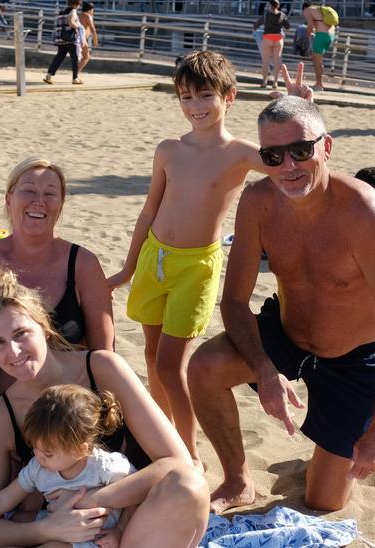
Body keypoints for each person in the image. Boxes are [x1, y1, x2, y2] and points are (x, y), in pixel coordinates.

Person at [188, 96, 375, 514]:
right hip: (288, 335)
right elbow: (235, 301)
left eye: (300, 150)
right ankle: (238, 479)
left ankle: (332, 453)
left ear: (325, 147)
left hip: (356, 358)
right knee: (204, 367)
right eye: (272, 156)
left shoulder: (364, 212)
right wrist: (265, 369)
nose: (288, 166)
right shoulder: (258, 202)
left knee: (322, 500)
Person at [106, 52, 313, 463]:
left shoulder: (240, 153)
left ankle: (187, 454)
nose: (194, 106)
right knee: (151, 356)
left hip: (197, 268)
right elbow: (149, 210)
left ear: (228, 97)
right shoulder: (168, 149)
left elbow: (294, 165)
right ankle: (160, 437)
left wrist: (300, 112)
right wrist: (128, 268)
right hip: (154, 259)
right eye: (185, 96)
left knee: (170, 366)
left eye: (204, 95)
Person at [0, 269, 209, 547]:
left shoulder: (101, 368)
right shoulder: (3, 414)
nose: (13, 352)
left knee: (191, 486)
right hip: (67, 538)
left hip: (133, 527)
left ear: (43, 327)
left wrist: (94, 498)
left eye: (21, 334)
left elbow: (177, 462)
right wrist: (48, 528)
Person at [0, 157, 115, 477]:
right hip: (0, 408)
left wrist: (83, 429)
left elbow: (104, 357)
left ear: (61, 203)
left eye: (50, 193)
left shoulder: (82, 264)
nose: (39, 201)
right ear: (9, 198)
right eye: (28, 190)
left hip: (69, 412)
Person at [0, 385, 134, 548]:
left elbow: (135, 496)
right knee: (18, 519)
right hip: (58, 521)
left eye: (48, 453)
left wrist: (119, 529)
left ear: (80, 450)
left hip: (95, 534)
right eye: (35, 447)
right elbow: (5, 498)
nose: (38, 456)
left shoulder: (105, 466)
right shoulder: (39, 467)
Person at [253, 0, 292, 89]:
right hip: (278, 39)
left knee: (265, 62)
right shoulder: (282, 14)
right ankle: (275, 82)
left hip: (267, 38)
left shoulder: (266, 14)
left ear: (270, 5)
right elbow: (288, 27)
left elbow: (257, 24)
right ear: (278, 6)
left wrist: (255, 29)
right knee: (277, 61)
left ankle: (264, 82)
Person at [43, 0, 83, 85]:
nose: (79, 6)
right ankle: (75, 78)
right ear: (76, 4)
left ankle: (48, 75)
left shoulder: (62, 12)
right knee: (75, 59)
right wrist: (78, 27)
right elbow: (71, 22)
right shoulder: (73, 11)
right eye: (79, 4)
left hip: (61, 38)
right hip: (71, 39)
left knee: (59, 57)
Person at [301, 2, 336, 92]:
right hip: (331, 35)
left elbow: (310, 25)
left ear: (304, 8)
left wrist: (307, 35)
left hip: (321, 36)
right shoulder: (320, 10)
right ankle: (319, 83)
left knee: (317, 61)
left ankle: (319, 85)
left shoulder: (307, 10)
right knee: (318, 60)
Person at [77, 2, 99, 76]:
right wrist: (95, 39)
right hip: (82, 39)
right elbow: (93, 28)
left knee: (82, 57)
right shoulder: (87, 16)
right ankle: (75, 74)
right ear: (90, 9)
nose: (93, 11)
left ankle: (75, 74)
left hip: (78, 38)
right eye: (93, 10)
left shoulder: (79, 15)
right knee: (86, 57)